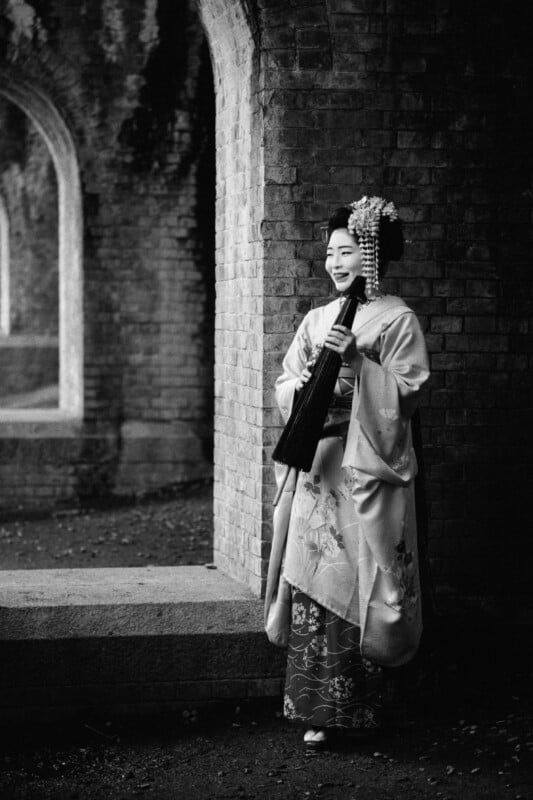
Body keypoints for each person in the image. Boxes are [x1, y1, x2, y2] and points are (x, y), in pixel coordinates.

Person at [271, 196, 430, 751]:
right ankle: (318, 707)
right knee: (317, 576)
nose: (335, 264)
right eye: (330, 254)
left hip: (368, 469)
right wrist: (313, 381)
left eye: (346, 252)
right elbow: (285, 384)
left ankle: (374, 706)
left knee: (367, 579)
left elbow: (405, 395)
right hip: (322, 466)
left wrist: (360, 365)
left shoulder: (398, 319)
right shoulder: (317, 319)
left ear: (373, 253)